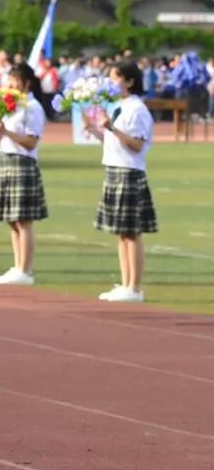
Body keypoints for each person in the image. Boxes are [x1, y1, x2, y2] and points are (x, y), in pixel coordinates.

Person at [86, 61, 157, 303]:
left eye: (115, 77)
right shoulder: (119, 106)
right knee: (121, 233)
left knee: (132, 232)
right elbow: (112, 140)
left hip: (129, 172)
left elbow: (136, 144)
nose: (111, 82)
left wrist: (112, 128)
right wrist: (95, 129)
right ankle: (126, 283)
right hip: (115, 169)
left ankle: (134, 287)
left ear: (129, 81)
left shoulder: (137, 109)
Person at [0, 61, 48, 286]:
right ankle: (18, 265)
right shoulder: (10, 106)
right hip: (7, 161)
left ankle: (25, 269)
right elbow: (1, 139)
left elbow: (31, 142)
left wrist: (7, 132)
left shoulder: (33, 108)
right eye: (9, 80)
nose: (10, 85)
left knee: (23, 220)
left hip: (23, 164)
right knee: (12, 220)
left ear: (27, 83)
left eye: (15, 80)